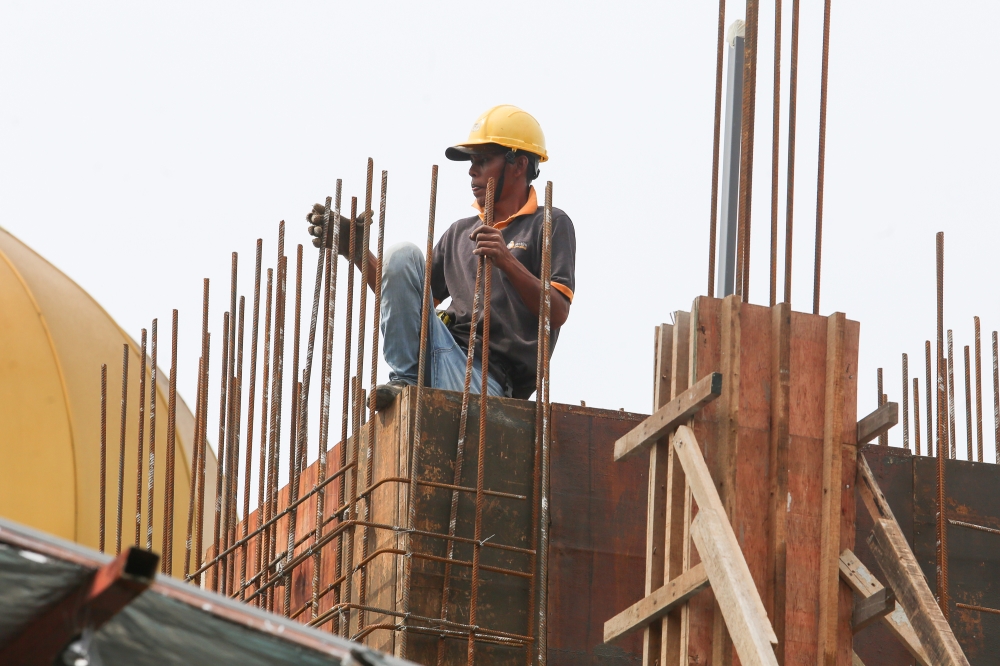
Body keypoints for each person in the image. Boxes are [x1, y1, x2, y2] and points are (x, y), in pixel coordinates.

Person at [307, 104, 576, 409]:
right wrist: (356, 252)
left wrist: (507, 260)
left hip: (488, 382)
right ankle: (405, 382)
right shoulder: (460, 233)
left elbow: (557, 313)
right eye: (472, 162)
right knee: (403, 255)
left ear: (518, 164)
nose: (473, 171)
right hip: (442, 357)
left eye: (484, 161)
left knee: (405, 258)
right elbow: (407, 301)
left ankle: (411, 383)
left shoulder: (548, 224)